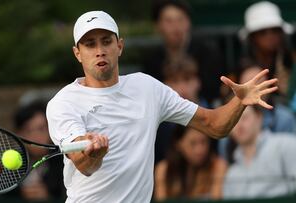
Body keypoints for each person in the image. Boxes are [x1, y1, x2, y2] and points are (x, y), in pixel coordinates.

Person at [46, 10, 277, 202]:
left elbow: (215, 125)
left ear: (120, 46)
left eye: (106, 41)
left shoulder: (147, 88)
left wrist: (239, 101)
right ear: (78, 53)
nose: (99, 50)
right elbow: (84, 165)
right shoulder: (63, 103)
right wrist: (94, 154)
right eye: (89, 44)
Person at [143, 0, 225, 104]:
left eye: (180, 19)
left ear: (188, 22)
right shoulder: (152, 60)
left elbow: (216, 90)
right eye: (169, 21)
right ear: (157, 25)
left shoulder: (208, 52)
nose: (176, 27)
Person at [223, 105, 296, 199]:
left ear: (259, 117)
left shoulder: (286, 145)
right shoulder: (231, 174)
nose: (239, 125)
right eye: (233, 121)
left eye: (244, 118)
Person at [11, 100, 66, 201]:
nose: (37, 136)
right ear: (19, 134)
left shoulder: (65, 164)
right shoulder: (9, 170)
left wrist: (48, 198)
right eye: (29, 130)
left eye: (41, 129)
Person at [154, 125, 227, 201]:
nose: (199, 150)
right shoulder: (164, 169)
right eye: (193, 143)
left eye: (203, 142)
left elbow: (216, 199)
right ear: (178, 144)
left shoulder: (217, 165)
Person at [238, 1, 294, 98]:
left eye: (275, 30)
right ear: (253, 37)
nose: (270, 36)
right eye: (262, 32)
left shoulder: (289, 59)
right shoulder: (248, 70)